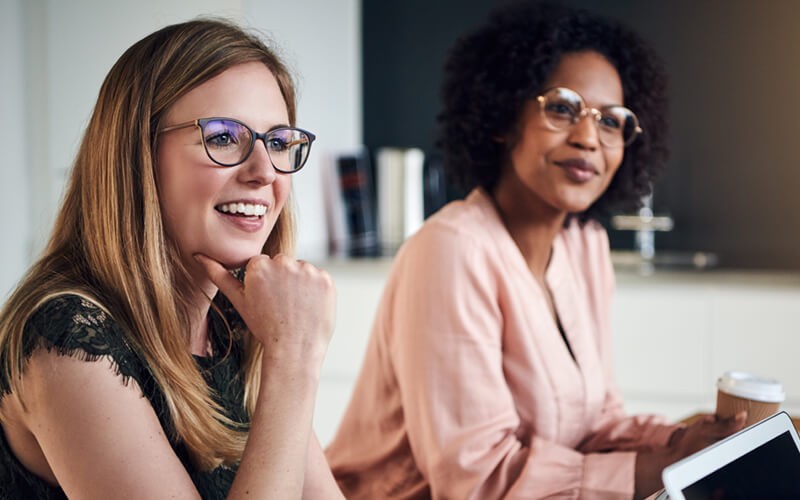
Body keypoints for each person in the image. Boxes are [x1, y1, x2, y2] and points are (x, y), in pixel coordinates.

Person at [326, 2, 746, 498]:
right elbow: (477, 480)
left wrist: (680, 441)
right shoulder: (451, 251)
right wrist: (666, 468)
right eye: (563, 108)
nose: (589, 138)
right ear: (504, 117)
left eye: (611, 121)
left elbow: (595, 422)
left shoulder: (584, 246)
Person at [0, 19, 343, 499]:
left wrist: (285, 354)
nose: (265, 172)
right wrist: (293, 360)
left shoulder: (238, 320)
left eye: (280, 142)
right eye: (224, 136)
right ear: (137, 154)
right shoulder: (68, 338)